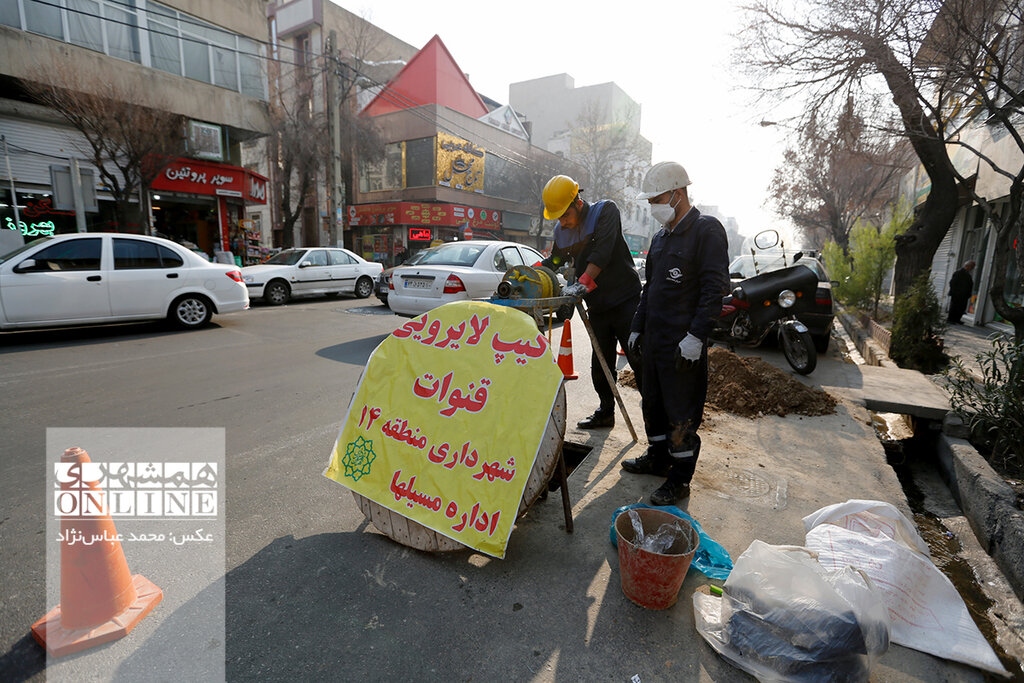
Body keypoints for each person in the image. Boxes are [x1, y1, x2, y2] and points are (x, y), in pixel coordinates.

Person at [620, 162, 729, 505]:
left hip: (683, 346)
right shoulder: (661, 237)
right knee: (652, 402)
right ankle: (657, 457)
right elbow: (650, 288)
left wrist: (696, 336)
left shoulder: (706, 231)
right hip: (655, 340)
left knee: (681, 412)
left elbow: (715, 289)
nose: (652, 206)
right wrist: (637, 329)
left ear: (677, 194)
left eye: (657, 199)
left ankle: (680, 479)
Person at [540, 175, 643, 429]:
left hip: (625, 301)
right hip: (598, 305)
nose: (562, 222)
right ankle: (606, 411)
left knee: (640, 360)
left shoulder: (605, 212)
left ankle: (659, 425)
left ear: (578, 201)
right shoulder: (561, 232)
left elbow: (603, 253)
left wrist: (582, 282)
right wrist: (535, 272)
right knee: (601, 362)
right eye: (558, 218)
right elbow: (555, 261)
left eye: (564, 215)